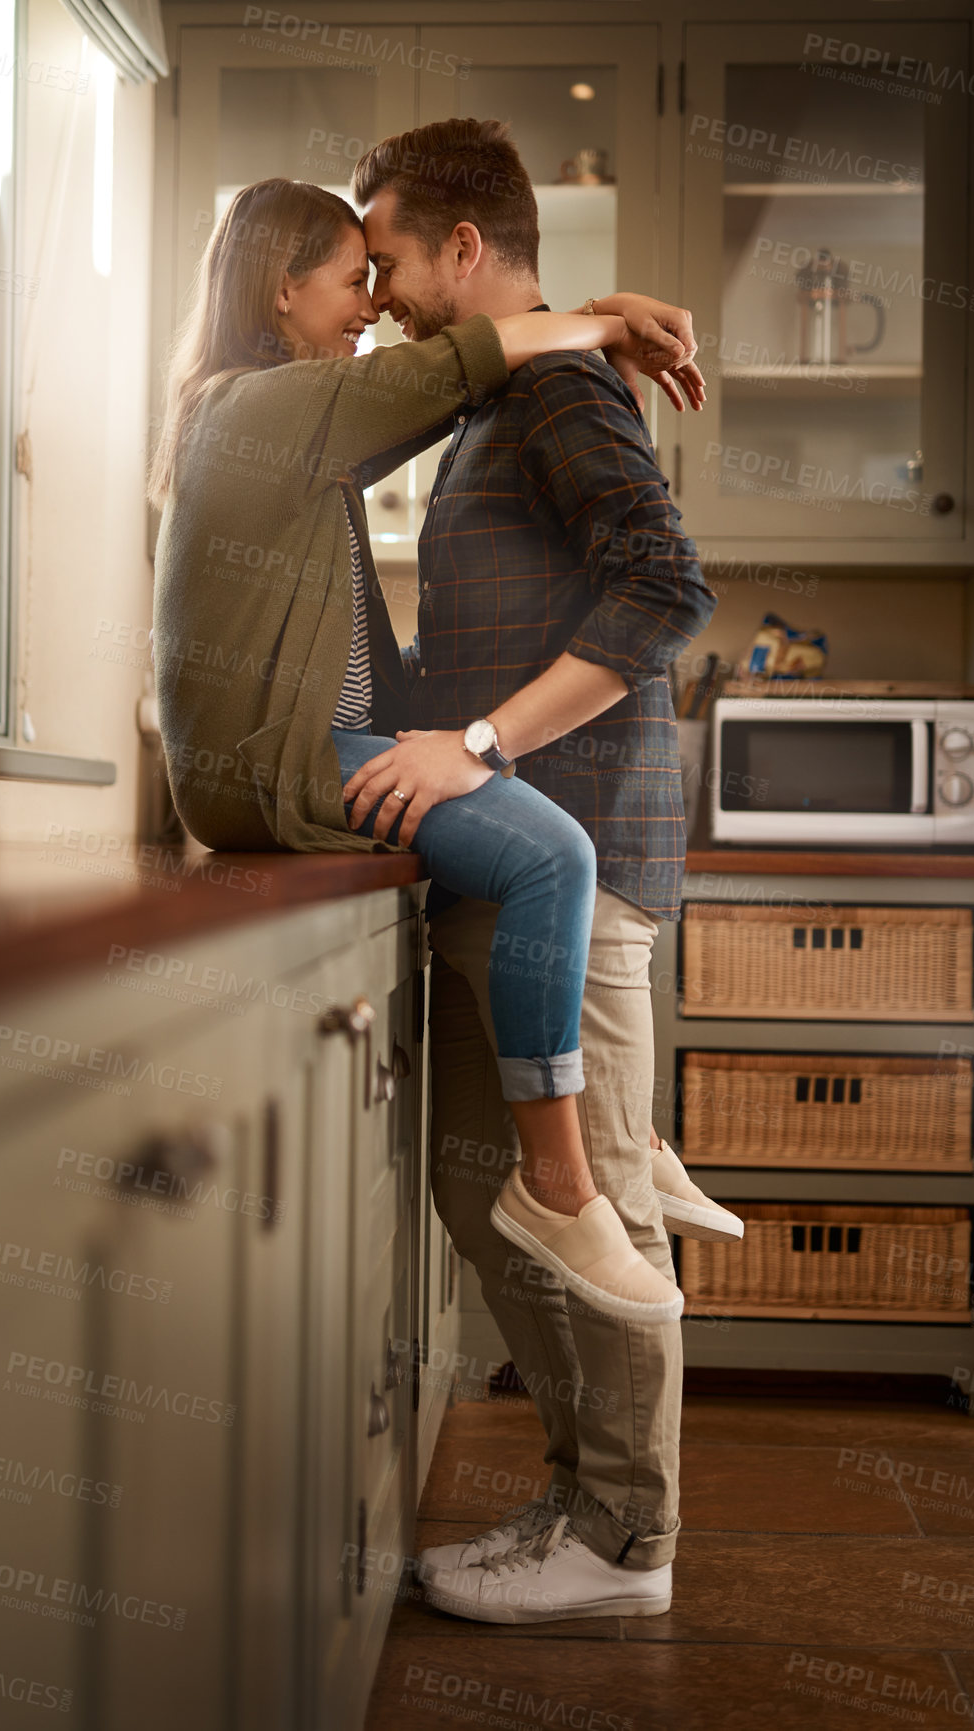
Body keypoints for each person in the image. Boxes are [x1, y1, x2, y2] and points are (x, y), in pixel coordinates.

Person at [147, 177, 706, 1322]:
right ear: (282, 286)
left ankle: (617, 1133)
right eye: (354, 281)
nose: (369, 305)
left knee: (527, 857)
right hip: (284, 762)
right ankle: (561, 1180)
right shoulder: (264, 403)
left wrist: (595, 317)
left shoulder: (264, 407)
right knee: (555, 859)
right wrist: (606, 316)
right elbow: (454, 370)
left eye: (377, 274)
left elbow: (451, 383)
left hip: (299, 747)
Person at [343, 117, 741, 1624]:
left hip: (571, 849)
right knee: (497, 1194)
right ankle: (581, 1500)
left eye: (383, 254)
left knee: (598, 1217)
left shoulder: (560, 390)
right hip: (510, 865)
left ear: (462, 244)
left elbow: (665, 584)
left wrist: (479, 745)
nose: (374, 289)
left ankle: (624, 1540)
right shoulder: (497, 392)